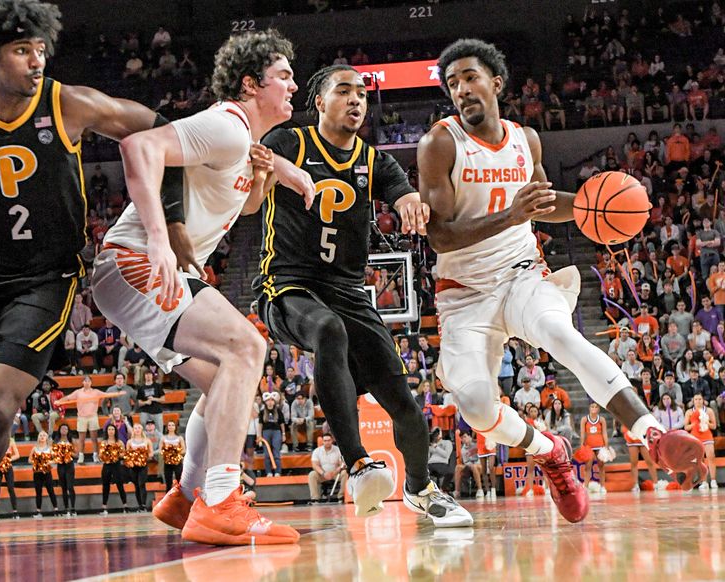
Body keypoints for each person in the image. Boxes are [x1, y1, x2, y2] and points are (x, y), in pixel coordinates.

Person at [0, 0, 196, 556]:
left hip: (44, 279)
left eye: (40, 49)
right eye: (22, 50)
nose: (36, 60)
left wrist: (170, 221)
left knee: (2, 411)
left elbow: (166, 135)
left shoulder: (69, 103)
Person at [417, 38, 706, 524]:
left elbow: (544, 203)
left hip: (521, 275)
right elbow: (441, 236)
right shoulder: (439, 144)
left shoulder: (525, 139)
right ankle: (548, 449)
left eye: (470, 78)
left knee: (561, 334)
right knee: (475, 406)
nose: (462, 89)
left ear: (496, 83)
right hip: (463, 295)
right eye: (452, 83)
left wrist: (601, 201)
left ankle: (651, 433)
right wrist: (511, 215)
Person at [92, 29, 306, 546]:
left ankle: (186, 496)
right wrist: (163, 239)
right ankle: (220, 501)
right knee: (247, 347)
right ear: (252, 84)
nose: (294, 86)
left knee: (225, 384)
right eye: (284, 76)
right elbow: (140, 144)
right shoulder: (227, 125)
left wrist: (272, 178)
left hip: (139, 274)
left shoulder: (243, 144)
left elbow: (247, 206)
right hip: (137, 261)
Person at [251, 63, 469, 526]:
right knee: (327, 330)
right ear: (320, 102)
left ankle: (420, 488)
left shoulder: (375, 160)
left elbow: (401, 190)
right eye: (344, 91)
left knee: (405, 403)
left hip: (349, 292)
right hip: (287, 284)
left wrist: (409, 199)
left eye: (362, 95)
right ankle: (358, 465)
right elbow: (252, 166)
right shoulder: (288, 142)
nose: (356, 101)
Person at [55, 376, 124, 464]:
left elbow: (107, 394)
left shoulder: (96, 392)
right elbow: (68, 398)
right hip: (81, 417)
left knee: (94, 438)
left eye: (88, 381)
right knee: (81, 439)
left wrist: (118, 393)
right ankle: (81, 457)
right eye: (85, 381)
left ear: (91, 383)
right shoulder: (78, 392)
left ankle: (95, 456)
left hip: (93, 417)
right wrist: (59, 401)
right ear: (82, 382)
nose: (87, 382)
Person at [684, 393, 719, 490]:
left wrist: (706, 422)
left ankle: (713, 480)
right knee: (700, 460)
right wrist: (694, 424)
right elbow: (686, 427)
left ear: (703, 400)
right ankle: (704, 481)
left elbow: (714, 426)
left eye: (700, 399)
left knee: (711, 456)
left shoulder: (709, 410)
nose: (698, 401)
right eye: (696, 399)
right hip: (695, 437)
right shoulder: (689, 412)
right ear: (693, 401)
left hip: (707, 436)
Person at [99, 424, 128, 515]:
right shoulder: (103, 442)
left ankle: (125, 505)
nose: (111, 431)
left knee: (120, 485)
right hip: (107, 465)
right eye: (109, 429)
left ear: (115, 431)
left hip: (116, 464)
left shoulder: (119, 442)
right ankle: (104, 506)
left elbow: (124, 454)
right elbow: (100, 456)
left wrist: (116, 454)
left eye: (112, 429)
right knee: (105, 485)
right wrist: (106, 455)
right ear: (107, 431)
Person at [580, 403, 608, 494]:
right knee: (588, 467)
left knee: (601, 466)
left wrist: (606, 445)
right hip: (589, 446)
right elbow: (582, 434)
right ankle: (586, 487)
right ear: (589, 408)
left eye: (596, 407)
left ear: (599, 409)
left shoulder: (602, 420)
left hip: (600, 445)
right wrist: (582, 445)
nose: (594, 408)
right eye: (592, 406)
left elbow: (604, 433)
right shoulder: (584, 419)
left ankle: (602, 486)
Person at [308, 433, 347, 501]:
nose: (327, 442)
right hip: (322, 474)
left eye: (329, 440)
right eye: (325, 441)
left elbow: (342, 464)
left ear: (332, 440)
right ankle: (315, 498)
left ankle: (341, 496)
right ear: (322, 441)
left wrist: (334, 472)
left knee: (345, 473)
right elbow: (315, 465)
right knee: (312, 474)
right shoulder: (317, 451)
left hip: (335, 474)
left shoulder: (338, 450)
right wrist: (323, 473)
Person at [0, 438, 20, 521]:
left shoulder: (11, 440)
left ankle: (15, 511)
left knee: (11, 488)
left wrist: (7, 459)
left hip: (8, 466)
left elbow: (17, 455)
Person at [125, 423, 153, 512]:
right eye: (135, 428)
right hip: (133, 466)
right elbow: (127, 454)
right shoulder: (129, 442)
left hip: (143, 465)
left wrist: (144, 456)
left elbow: (151, 453)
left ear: (141, 430)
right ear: (133, 430)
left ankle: (144, 505)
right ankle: (139, 505)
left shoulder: (147, 440)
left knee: (142, 484)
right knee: (136, 485)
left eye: (139, 428)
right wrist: (132, 458)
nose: (137, 430)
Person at [29, 431, 57, 518]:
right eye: (40, 435)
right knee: (38, 492)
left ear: (46, 438)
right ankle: (38, 512)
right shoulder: (34, 448)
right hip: (37, 472)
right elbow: (29, 460)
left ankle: (56, 509)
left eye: (44, 435)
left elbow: (55, 459)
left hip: (47, 472)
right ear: (38, 437)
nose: (42, 437)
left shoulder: (50, 448)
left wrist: (49, 462)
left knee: (50, 490)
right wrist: (36, 462)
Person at [51, 424, 77, 516]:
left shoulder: (71, 441)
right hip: (60, 465)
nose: (64, 430)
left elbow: (76, 455)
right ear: (59, 430)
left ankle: (73, 508)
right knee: (64, 488)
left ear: (68, 430)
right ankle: (66, 508)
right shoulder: (56, 441)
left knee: (70, 486)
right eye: (62, 428)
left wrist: (68, 451)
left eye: (66, 428)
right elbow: (53, 455)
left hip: (69, 465)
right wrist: (58, 453)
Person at [136, 370, 165, 436]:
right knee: (143, 430)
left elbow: (163, 399)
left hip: (157, 411)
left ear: (152, 376)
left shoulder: (158, 386)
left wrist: (154, 399)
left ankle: (159, 444)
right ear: (144, 376)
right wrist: (146, 402)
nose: (148, 376)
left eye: (149, 374)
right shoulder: (141, 388)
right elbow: (139, 403)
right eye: (146, 374)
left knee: (159, 430)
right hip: (145, 411)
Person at [159, 420, 185, 492]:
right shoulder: (163, 438)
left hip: (177, 462)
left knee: (179, 479)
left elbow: (184, 450)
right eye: (169, 425)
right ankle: (168, 496)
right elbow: (160, 450)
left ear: (175, 427)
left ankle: (181, 495)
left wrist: (176, 453)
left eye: (172, 425)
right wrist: (167, 454)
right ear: (167, 427)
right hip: (167, 462)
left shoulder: (179, 438)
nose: (171, 427)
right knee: (168, 481)